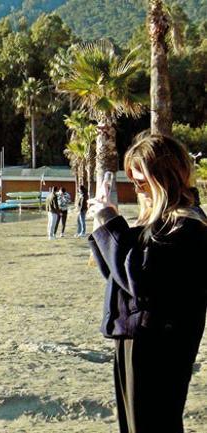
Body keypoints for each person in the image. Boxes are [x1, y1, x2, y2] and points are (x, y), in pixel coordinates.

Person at [88, 134, 207, 433]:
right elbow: (117, 276)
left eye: (141, 183)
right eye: (134, 183)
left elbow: (140, 281)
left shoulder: (187, 225)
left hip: (159, 345)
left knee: (153, 424)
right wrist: (102, 225)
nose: (138, 190)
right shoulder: (163, 221)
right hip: (137, 340)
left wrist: (109, 222)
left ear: (163, 178)